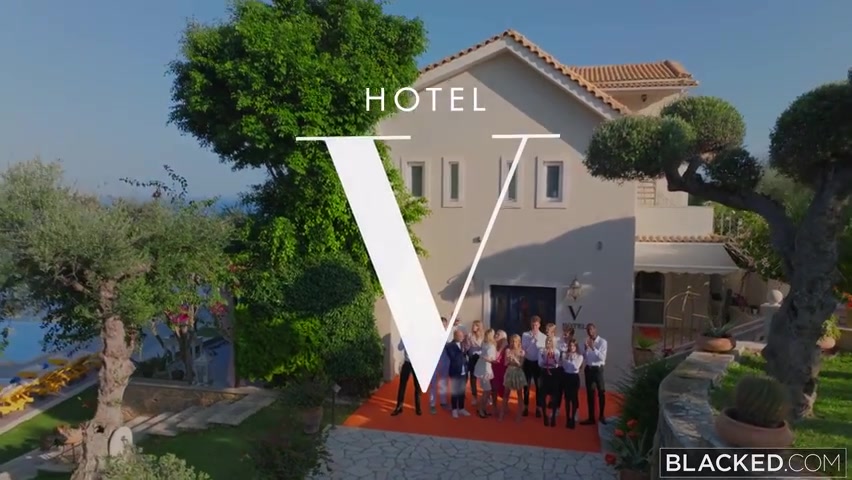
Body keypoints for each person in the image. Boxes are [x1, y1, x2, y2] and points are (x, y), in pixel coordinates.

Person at [581, 323, 608, 425]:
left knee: (601, 392)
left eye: (591, 329)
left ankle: (601, 416)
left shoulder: (602, 342)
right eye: (588, 330)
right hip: (589, 369)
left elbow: (602, 357)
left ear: (595, 330)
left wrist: (593, 348)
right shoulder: (586, 341)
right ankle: (591, 417)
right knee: (590, 394)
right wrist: (585, 349)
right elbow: (584, 356)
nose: (589, 332)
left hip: (598, 370)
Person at [520, 316, 547, 417]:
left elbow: (542, 349)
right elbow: (524, 348)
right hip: (527, 362)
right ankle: (525, 407)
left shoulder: (543, 336)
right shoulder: (525, 335)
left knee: (538, 386)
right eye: (533, 324)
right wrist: (531, 340)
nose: (534, 326)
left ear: (539, 325)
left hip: (537, 363)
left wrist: (537, 340)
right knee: (526, 386)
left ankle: (538, 408)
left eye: (536, 325)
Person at [391, 339, 422, 416]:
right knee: (402, 385)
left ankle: (418, 407)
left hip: (417, 363)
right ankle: (399, 407)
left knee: (417, 386)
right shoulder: (405, 336)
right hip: (407, 362)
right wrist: (404, 340)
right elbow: (399, 348)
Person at [500, 334, 527, 422]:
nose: (513, 343)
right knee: (506, 394)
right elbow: (505, 363)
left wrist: (514, 358)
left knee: (519, 394)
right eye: (512, 341)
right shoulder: (508, 350)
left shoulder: (522, 352)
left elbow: (520, 365)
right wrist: (508, 359)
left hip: (518, 373)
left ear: (519, 342)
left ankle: (519, 415)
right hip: (509, 372)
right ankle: (501, 414)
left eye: (515, 341)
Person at [445, 328, 470, 418]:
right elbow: (453, 357)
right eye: (460, 336)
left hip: (464, 371)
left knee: (462, 391)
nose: (462, 337)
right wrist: (464, 350)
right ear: (455, 336)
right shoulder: (450, 346)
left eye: (462, 336)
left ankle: (461, 408)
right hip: (455, 371)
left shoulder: (464, 344)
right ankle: (454, 409)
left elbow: (468, 355)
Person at [537, 335, 561, 427]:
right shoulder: (541, 351)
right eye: (547, 341)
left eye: (550, 342)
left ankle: (553, 416)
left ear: (553, 343)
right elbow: (540, 363)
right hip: (544, 373)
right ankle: (545, 415)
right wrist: (545, 357)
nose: (548, 343)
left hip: (554, 374)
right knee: (543, 395)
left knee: (554, 396)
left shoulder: (557, 352)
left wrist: (552, 358)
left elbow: (556, 364)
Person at [473, 328, 497, 418]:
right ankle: (481, 410)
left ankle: (483, 409)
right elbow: (489, 358)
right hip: (485, 369)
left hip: (484, 368)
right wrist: (493, 360)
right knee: (487, 391)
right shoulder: (490, 345)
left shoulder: (485, 343)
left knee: (486, 391)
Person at [429, 317, 451, 413]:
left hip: (445, 361)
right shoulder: (432, 335)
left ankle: (443, 402)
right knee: (433, 384)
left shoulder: (448, 335)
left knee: (443, 383)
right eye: (441, 324)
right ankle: (432, 404)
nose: (443, 326)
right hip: (433, 362)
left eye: (444, 325)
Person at [560, 338, 583, 428]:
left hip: (574, 378)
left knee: (573, 398)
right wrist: (568, 359)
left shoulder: (579, 356)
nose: (572, 347)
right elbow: (564, 366)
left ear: (576, 347)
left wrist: (570, 359)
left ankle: (573, 418)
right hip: (566, 377)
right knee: (567, 399)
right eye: (570, 345)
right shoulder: (564, 354)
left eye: (573, 346)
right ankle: (567, 418)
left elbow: (575, 367)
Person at [465, 320, 485, 407]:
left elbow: (484, 347)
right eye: (473, 325)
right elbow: (467, 347)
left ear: (479, 327)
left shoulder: (483, 336)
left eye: (476, 325)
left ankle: (487, 395)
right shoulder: (469, 335)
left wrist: (479, 352)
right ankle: (474, 396)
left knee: (483, 377)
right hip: (472, 358)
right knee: (473, 377)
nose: (473, 327)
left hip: (481, 358)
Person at [491, 330, 508, 400]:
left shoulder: (507, 348)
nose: (495, 335)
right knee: (494, 389)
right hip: (494, 370)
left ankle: (504, 405)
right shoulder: (492, 345)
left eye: (498, 334)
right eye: (496, 334)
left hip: (503, 371)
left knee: (504, 391)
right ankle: (494, 405)